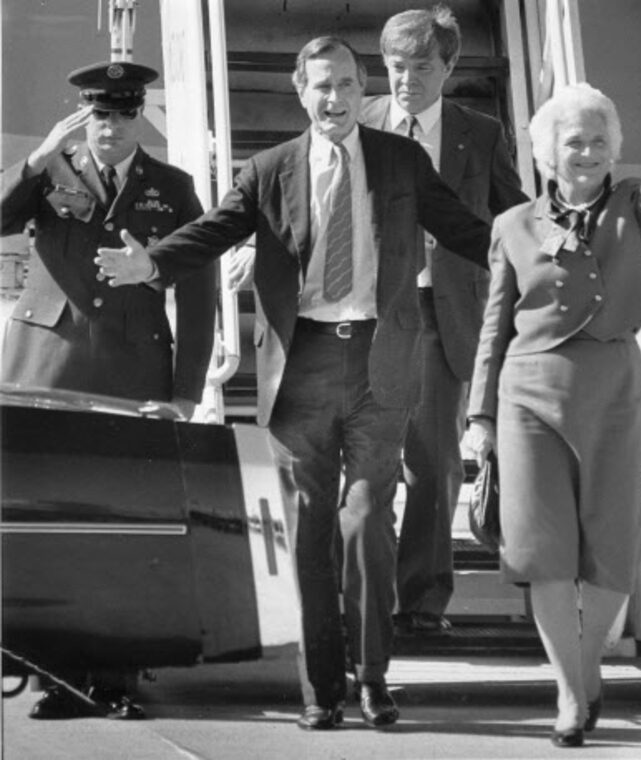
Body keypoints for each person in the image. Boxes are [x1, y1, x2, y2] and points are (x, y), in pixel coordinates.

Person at [95, 37, 492, 731]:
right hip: (301, 366)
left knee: (367, 519)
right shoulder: (270, 168)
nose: (333, 99)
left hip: (380, 361)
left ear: (360, 86)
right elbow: (214, 230)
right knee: (308, 530)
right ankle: (321, 688)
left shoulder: (401, 159)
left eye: (344, 84)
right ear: (298, 91)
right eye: (320, 87)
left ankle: (373, 677)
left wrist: (533, 240)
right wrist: (150, 265)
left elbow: (463, 228)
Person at [465, 42, 641, 747]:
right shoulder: (512, 226)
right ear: (547, 152)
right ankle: (572, 694)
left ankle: (584, 667)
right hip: (529, 395)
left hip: (614, 391)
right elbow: (493, 326)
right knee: (543, 550)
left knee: (612, 546)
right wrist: (478, 415)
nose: (589, 152)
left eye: (600, 141)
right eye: (575, 142)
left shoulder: (636, 207)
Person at [0, 60, 216, 720]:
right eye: (99, 116)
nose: (110, 129)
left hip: (131, 373)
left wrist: (186, 392)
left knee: (128, 527)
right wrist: (34, 161)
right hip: (48, 366)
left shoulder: (173, 188)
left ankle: (114, 677)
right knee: (47, 527)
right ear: (81, 117)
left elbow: (201, 294)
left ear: (139, 117)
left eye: (124, 116)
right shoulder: (48, 176)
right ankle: (54, 678)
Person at [359, 5, 528, 635]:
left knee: (432, 463)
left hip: (444, 311)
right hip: (371, 311)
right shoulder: (361, 120)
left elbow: (512, 217)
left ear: (450, 67)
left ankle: (422, 604)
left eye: (421, 68)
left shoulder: (479, 134)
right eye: (396, 68)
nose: (406, 81)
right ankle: (365, 597)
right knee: (369, 461)